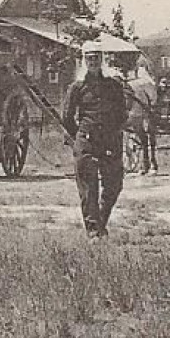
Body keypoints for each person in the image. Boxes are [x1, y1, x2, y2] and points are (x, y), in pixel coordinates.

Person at [62, 44, 128, 237]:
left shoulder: (113, 86)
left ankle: (100, 220)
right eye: (89, 58)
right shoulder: (77, 87)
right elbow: (67, 117)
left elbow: (121, 113)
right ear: (84, 60)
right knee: (89, 187)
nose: (93, 62)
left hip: (109, 141)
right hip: (87, 141)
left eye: (96, 58)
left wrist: (114, 132)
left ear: (102, 60)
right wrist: (80, 137)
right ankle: (93, 231)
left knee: (114, 185)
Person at [125, 61, 161, 175]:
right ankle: (146, 162)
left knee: (147, 135)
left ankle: (151, 161)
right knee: (142, 135)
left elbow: (152, 94)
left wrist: (152, 105)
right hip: (139, 104)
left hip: (144, 107)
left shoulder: (143, 80)